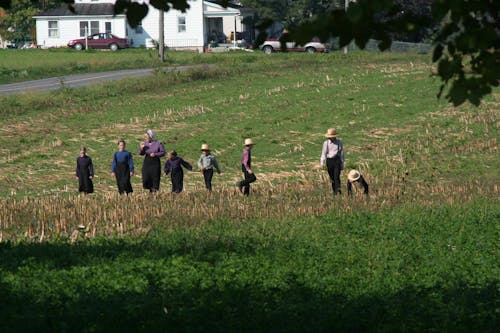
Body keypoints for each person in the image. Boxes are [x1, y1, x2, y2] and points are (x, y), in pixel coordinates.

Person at [320, 128, 344, 195]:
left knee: (337, 177)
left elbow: (341, 154)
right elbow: (323, 153)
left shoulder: (339, 142)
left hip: (337, 160)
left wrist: (342, 163)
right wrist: (322, 162)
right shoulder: (326, 143)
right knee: (332, 178)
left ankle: (338, 191)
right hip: (329, 161)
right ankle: (334, 192)